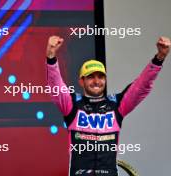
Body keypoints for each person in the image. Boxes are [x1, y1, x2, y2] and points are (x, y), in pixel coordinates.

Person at [45, 36, 170, 176]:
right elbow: (55, 86)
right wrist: (51, 56)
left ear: (105, 79)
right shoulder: (72, 104)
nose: (96, 81)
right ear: (82, 81)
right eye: (91, 77)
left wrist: (159, 58)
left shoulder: (117, 104)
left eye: (100, 76)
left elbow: (141, 86)